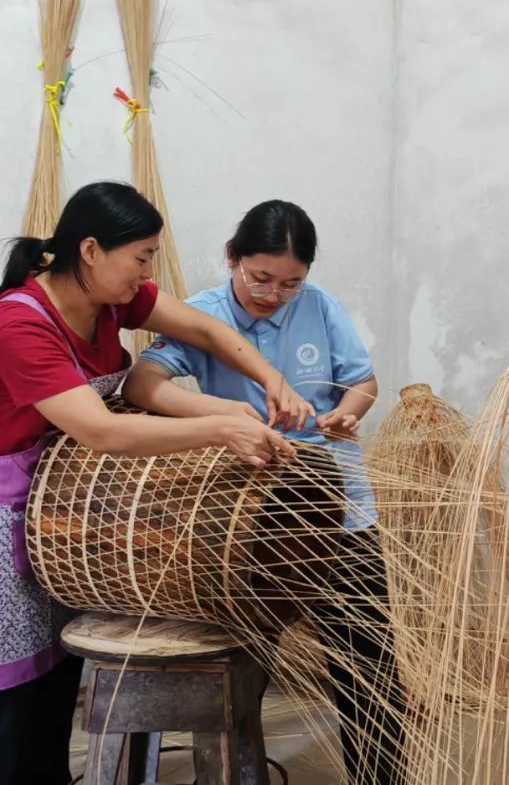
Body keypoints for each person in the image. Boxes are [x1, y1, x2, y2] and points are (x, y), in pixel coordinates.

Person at [0, 182, 310, 785]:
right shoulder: (19, 323)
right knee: (15, 687)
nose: (148, 270)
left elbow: (212, 332)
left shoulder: (115, 300)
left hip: (60, 508)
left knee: (59, 672)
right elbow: (102, 432)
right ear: (90, 250)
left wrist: (272, 379)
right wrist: (219, 427)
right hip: (6, 512)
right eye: (141, 255)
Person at [123, 199, 405, 785]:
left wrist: (345, 416)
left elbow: (362, 382)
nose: (274, 294)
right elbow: (142, 384)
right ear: (232, 257)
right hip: (245, 520)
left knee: (369, 660)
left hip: (339, 507)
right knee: (243, 662)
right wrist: (221, 412)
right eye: (260, 278)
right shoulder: (200, 314)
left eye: (291, 283)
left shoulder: (320, 307)